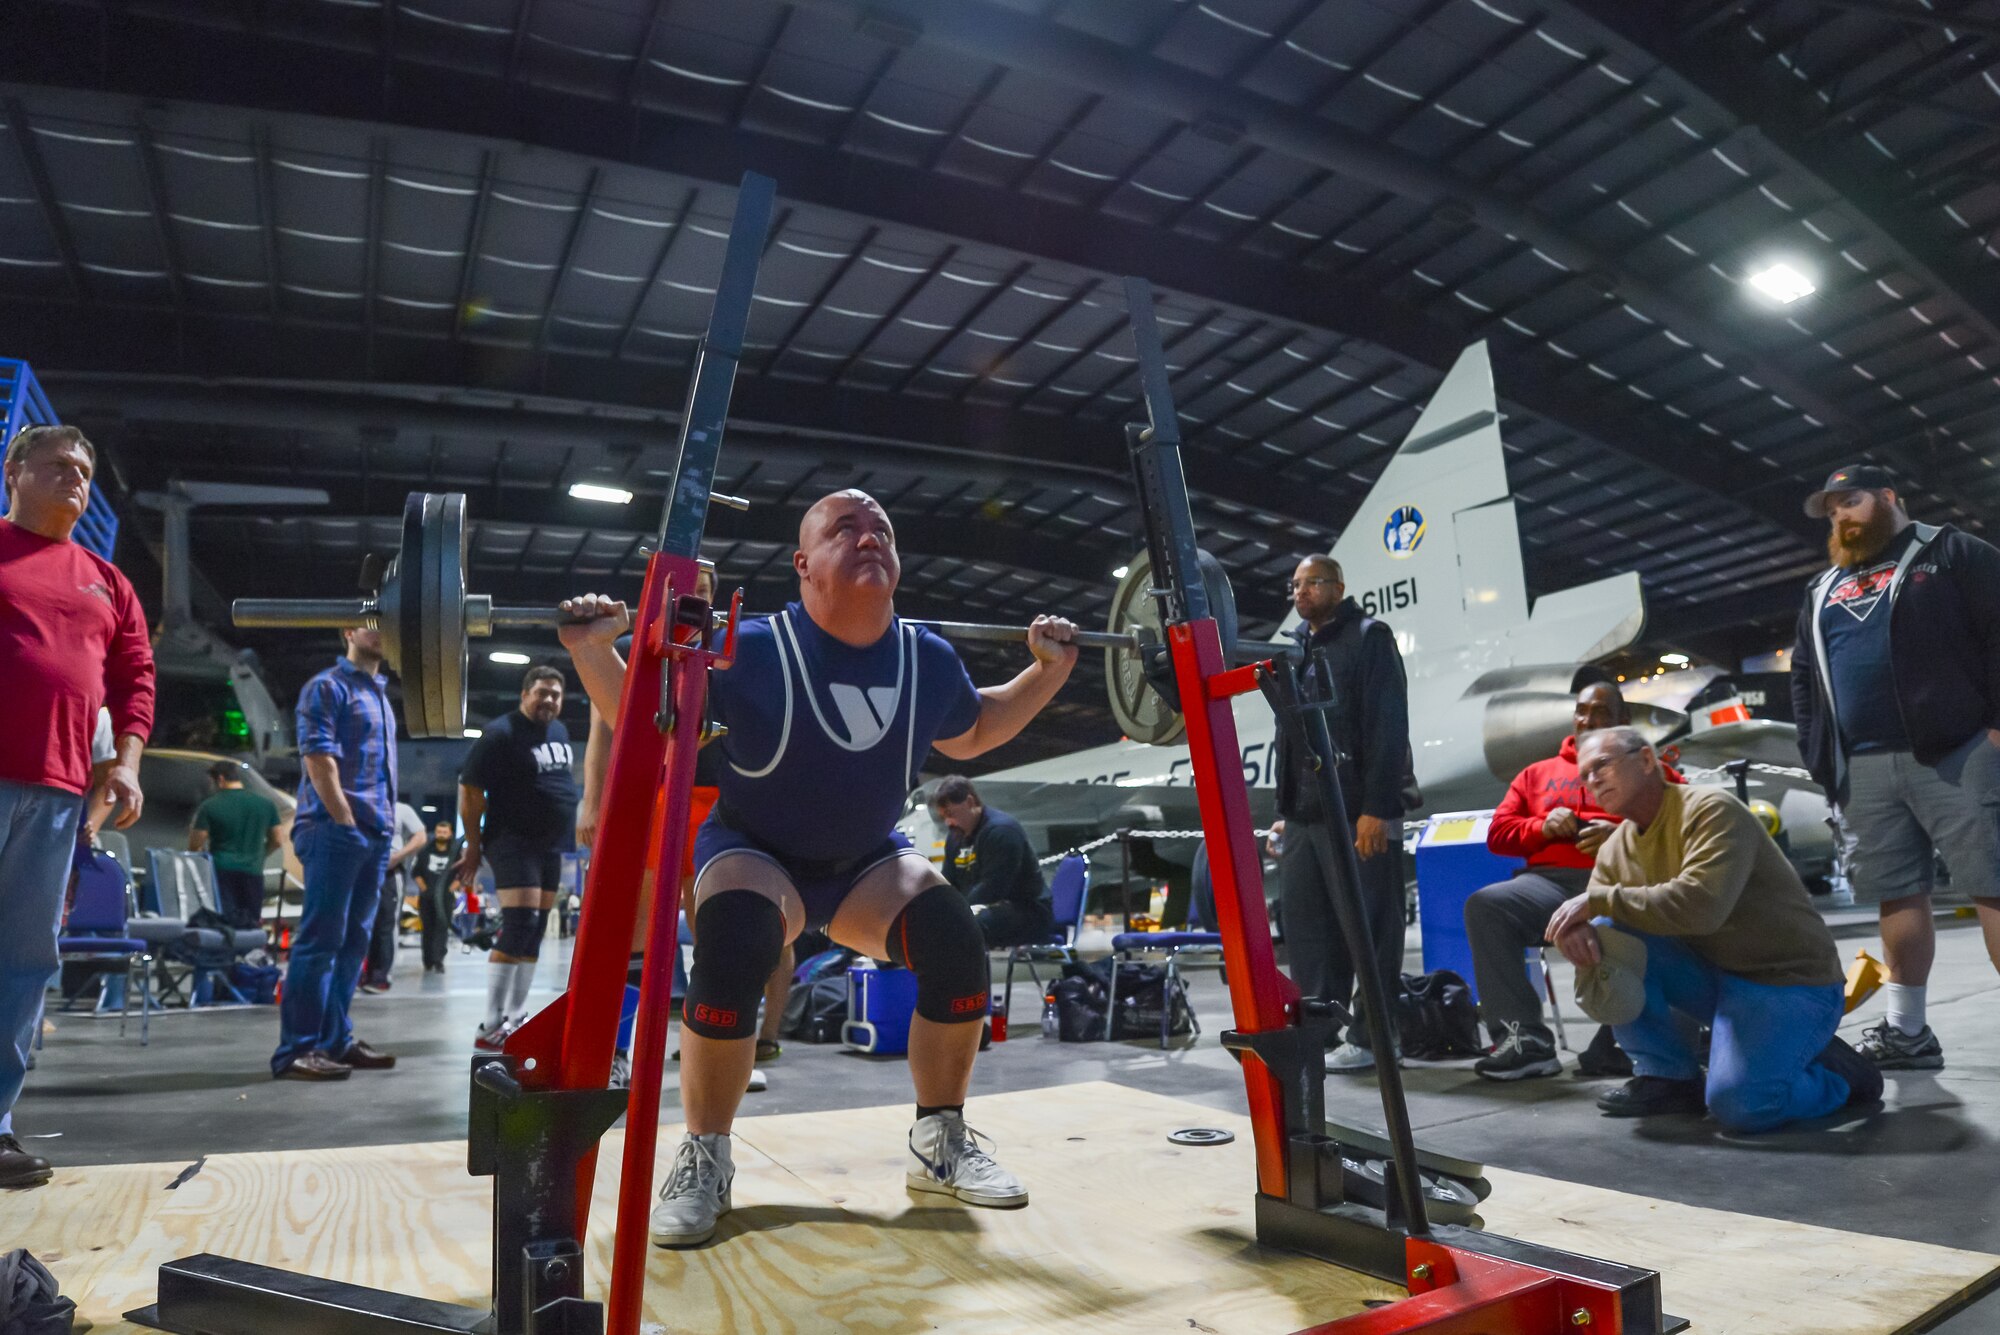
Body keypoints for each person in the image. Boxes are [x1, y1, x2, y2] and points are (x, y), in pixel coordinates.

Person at [560, 488, 1078, 1248]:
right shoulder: (753, 648)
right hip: (754, 851)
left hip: (865, 863)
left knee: (954, 939)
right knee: (735, 944)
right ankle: (706, 1155)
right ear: (803, 566)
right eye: (846, 528)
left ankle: (940, 1141)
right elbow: (653, 722)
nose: (869, 537)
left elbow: (976, 729)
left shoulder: (925, 657)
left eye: (883, 529)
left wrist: (1051, 671)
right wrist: (589, 649)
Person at [1545, 727, 1880, 1130]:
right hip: (1717, 977)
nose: (1593, 779)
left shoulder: (1710, 810)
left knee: (1741, 1106)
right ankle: (1668, 1078)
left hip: (1788, 982)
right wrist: (1577, 929)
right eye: (1586, 775)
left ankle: (1841, 1079)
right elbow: (1601, 911)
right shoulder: (1618, 846)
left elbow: (1700, 907)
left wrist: (1594, 904)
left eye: (1603, 765)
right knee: (1607, 933)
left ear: (1647, 760)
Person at [1790, 464, 2000, 1071]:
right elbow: (1804, 675)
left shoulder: (1951, 552)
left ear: (1887, 497)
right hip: (1862, 767)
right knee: (1895, 896)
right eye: (1831, 511)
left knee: (1993, 885)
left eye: (1850, 502)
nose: (1840, 518)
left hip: (1959, 753)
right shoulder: (1822, 587)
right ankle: (1908, 1031)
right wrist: (1817, 753)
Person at [0, 424, 154, 1187]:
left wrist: (122, 764)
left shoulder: (106, 580)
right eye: (58, 465)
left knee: (24, 963)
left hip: (59, 794)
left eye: (86, 471)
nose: (75, 479)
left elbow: (135, 679)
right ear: (14, 472)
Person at [1466, 682, 1673, 1081]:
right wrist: (1542, 827)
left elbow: (1680, 826)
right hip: (1550, 884)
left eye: (1600, 711)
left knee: (1655, 907)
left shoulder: (1648, 769)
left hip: (1624, 878)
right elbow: (1499, 834)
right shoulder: (1536, 773)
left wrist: (1623, 837)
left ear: (1623, 721)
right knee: (1487, 906)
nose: (1588, 719)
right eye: (1581, 710)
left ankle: (1628, 1039)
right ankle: (1525, 1042)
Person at [1269, 554, 1412, 1075]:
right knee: (1308, 932)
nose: (1301, 592)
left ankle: (1376, 1039)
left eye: (1312, 583)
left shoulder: (1370, 638)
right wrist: (1284, 810)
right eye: (1296, 585)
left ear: (1338, 587)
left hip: (1356, 813)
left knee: (1370, 931)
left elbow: (1387, 725)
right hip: (1305, 817)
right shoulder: (1296, 651)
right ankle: (1321, 1033)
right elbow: (1291, 736)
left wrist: (1378, 807)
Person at [271, 626, 401, 1082]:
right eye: (371, 620)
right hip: (335, 829)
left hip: (374, 832)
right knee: (320, 942)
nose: (381, 629)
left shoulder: (380, 694)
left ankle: (335, 1041)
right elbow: (319, 758)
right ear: (348, 630)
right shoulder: (328, 686)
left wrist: (382, 827)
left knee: (351, 946)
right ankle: (296, 1051)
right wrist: (344, 819)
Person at [457, 666, 579, 1048]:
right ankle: (489, 1023)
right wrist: (474, 846)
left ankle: (515, 1016)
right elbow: (470, 792)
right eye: (542, 692)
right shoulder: (499, 735)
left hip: (550, 844)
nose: (549, 700)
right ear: (524, 694)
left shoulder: (559, 732)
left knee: (536, 929)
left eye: (556, 695)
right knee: (520, 923)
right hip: (512, 840)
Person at [931, 776, 1053, 950]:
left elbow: (993, 887)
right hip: (987, 907)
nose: (948, 822)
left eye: (951, 814)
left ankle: (969, 977)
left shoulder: (1002, 831)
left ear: (970, 802)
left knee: (966, 927)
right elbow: (949, 883)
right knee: (931, 925)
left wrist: (956, 913)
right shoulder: (955, 837)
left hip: (1029, 911)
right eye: (944, 816)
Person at [189, 761, 281, 931]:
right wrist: (260, 854)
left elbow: (196, 844)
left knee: (224, 925)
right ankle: (248, 955)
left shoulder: (210, 806)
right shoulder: (265, 804)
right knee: (251, 923)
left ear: (220, 779)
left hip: (221, 872)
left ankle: (226, 956)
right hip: (253, 872)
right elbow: (277, 840)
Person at [361, 801, 426, 993]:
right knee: (361, 922)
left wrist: (398, 857)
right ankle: (362, 972)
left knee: (385, 923)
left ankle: (381, 975)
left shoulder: (401, 809)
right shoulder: (360, 803)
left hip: (389, 872)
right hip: (361, 869)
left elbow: (420, 836)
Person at [412, 821, 458, 975]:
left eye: (445, 832)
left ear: (450, 834)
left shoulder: (455, 853)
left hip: (445, 899)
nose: (441, 835)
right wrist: (425, 888)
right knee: (428, 929)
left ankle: (439, 960)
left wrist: (452, 888)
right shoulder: (425, 851)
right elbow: (416, 872)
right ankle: (428, 960)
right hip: (427, 898)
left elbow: (462, 874)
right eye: (439, 831)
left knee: (442, 929)